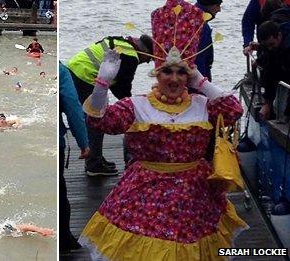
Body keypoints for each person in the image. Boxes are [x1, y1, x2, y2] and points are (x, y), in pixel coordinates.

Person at [78, 1, 247, 259]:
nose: (174, 79)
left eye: (182, 72)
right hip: (146, 194)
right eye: (167, 71)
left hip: (194, 197)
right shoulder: (138, 105)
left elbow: (234, 110)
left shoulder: (202, 105)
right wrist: (102, 84)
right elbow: (100, 122)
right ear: (157, 73)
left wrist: (200, 80)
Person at [66, 34, 153, 175]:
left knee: (95, 115)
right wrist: (134, 110)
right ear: (145, 52)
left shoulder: (121, 42)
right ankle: (94, 164)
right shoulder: (131, 56)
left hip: (75, 67)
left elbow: (114, 83)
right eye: (150, 58)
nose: (148, 62)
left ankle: (96, 157)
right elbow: (122, 89)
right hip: (85, 76)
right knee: (96, 119)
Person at [59, 62, 90, 251]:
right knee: (60, 189)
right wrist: (83, 142)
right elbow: (72, 106)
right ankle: (64, 239)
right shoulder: (61, 70)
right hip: (55, 142)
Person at [256, 20, 290, 119]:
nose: (270, 48)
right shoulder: (271, 49)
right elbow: (270, 74)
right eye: (267, 46)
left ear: (279, 36)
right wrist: (268, 103)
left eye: (272, 44)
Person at [195, 0, 222, 82]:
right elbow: (199, 59)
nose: (219, 9)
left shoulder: (190, 18)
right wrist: (203, 85)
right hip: (198, 78)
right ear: (209, 5)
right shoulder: (202, 26)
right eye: (217, 5)